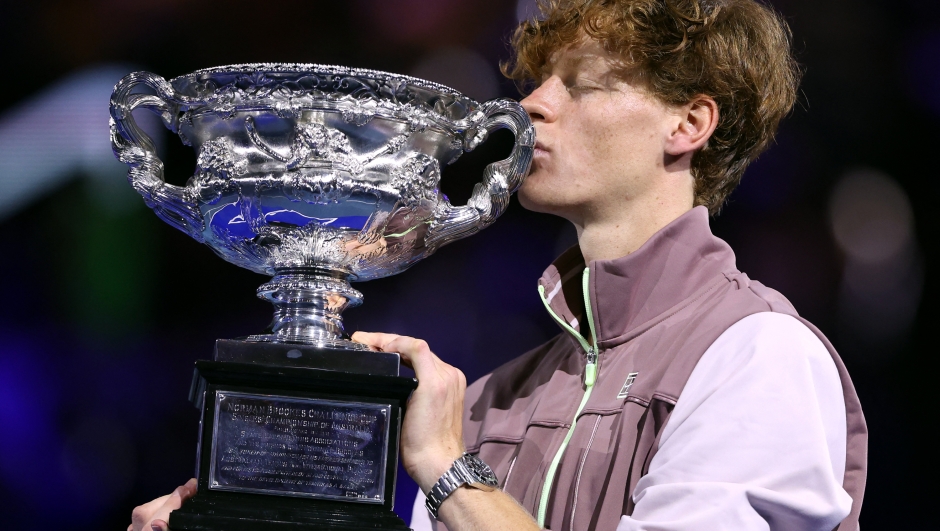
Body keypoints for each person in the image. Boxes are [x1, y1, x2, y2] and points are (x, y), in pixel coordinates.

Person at [130, 0, 867, 530]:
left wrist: (451, 471)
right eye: (538, 81)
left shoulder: (761, 353)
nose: (533, 105)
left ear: (688, 123)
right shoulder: (490, 398)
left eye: (581, 84)